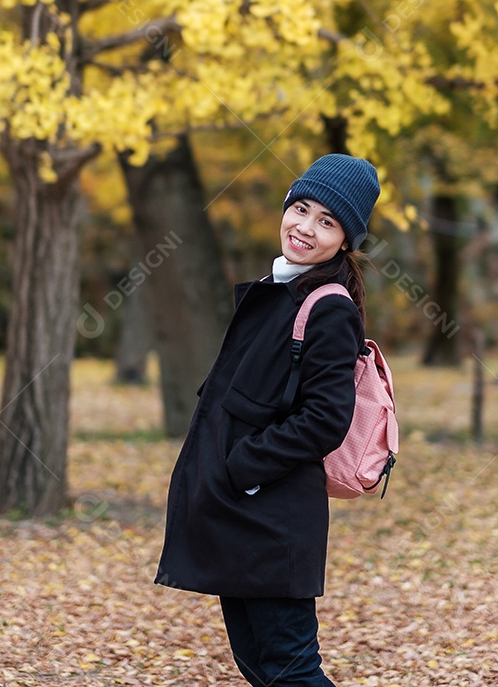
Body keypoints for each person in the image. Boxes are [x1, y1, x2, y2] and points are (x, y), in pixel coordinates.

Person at [155, 153, 381, 686]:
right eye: (300, 209)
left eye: (327, 222)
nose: (305, 228)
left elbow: (326, 418)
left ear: (345, 241)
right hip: (240, 511)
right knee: (260, 664)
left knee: (290, 668)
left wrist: (241, 467)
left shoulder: (329, 307)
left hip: (271, 515)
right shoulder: (279, 286)